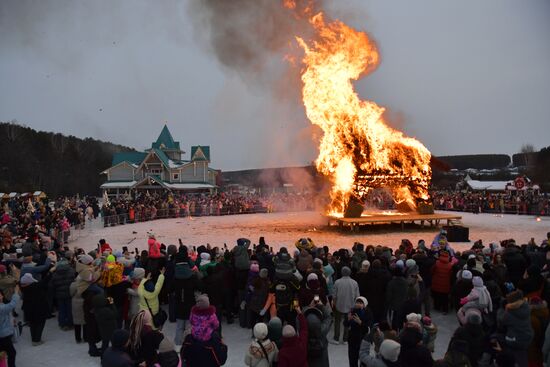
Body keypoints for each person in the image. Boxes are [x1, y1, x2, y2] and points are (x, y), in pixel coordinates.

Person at [497, 290, 534, 367]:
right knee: (522, 356)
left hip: (514, 340)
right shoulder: (526, 307)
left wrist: (501, 309)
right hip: (527, 337)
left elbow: (501, 323)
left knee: (514, 357)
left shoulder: (509, 313)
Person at [20, 272, 50, 346]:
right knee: (40, 322)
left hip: (28, 308)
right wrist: (50, 273)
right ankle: (37, 340)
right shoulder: (34, 286)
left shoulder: (23, 287)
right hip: (38, 307)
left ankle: (33, 338)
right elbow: (44, 281)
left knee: (32, 323)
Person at [332, 266, 359, 345]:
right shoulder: (354, 282)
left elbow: (334, 296)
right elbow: (357, 296)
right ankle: (345, 339)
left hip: (338, 305)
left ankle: (336, 338)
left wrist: (334, 304)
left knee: (337, 322)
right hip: (350, 305)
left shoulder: (337, 282)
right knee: (347, 322)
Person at [344, 297, 372, 367]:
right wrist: (348, 319)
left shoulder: (368, 313)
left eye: (360, 303)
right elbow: (345, 324)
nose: (358, 304)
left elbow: (368, 329)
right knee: (352, 360)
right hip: (352, 339)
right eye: (357, 302)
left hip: (363, 340)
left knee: (363, 360)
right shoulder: (352, 311)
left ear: (364, 304)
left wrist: (360, 323)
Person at [0, 286, 20, 367]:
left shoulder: (1, 305)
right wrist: (16, 293)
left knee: (3, 353)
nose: (1, 296)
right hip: (3, 335)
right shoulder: (1, 307)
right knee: (12, 352)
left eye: (1, 295)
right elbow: (12, 305)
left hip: (3, 334)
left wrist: (11, 319)